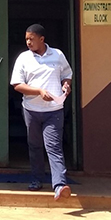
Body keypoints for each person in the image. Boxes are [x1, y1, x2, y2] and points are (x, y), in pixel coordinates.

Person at [10, 24, 73, 201]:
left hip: (54, 110)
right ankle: (37, 180)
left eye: (31, 39)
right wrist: (38, 91)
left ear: (42, 39)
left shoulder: (58, 55)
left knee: (53, 147)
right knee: (35, 146)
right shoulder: (23, 58)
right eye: (26, 39)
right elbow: (17, 84)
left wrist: (66, 84)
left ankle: (60, 185)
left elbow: (67, 73)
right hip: (31, 110)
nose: (28, 42)